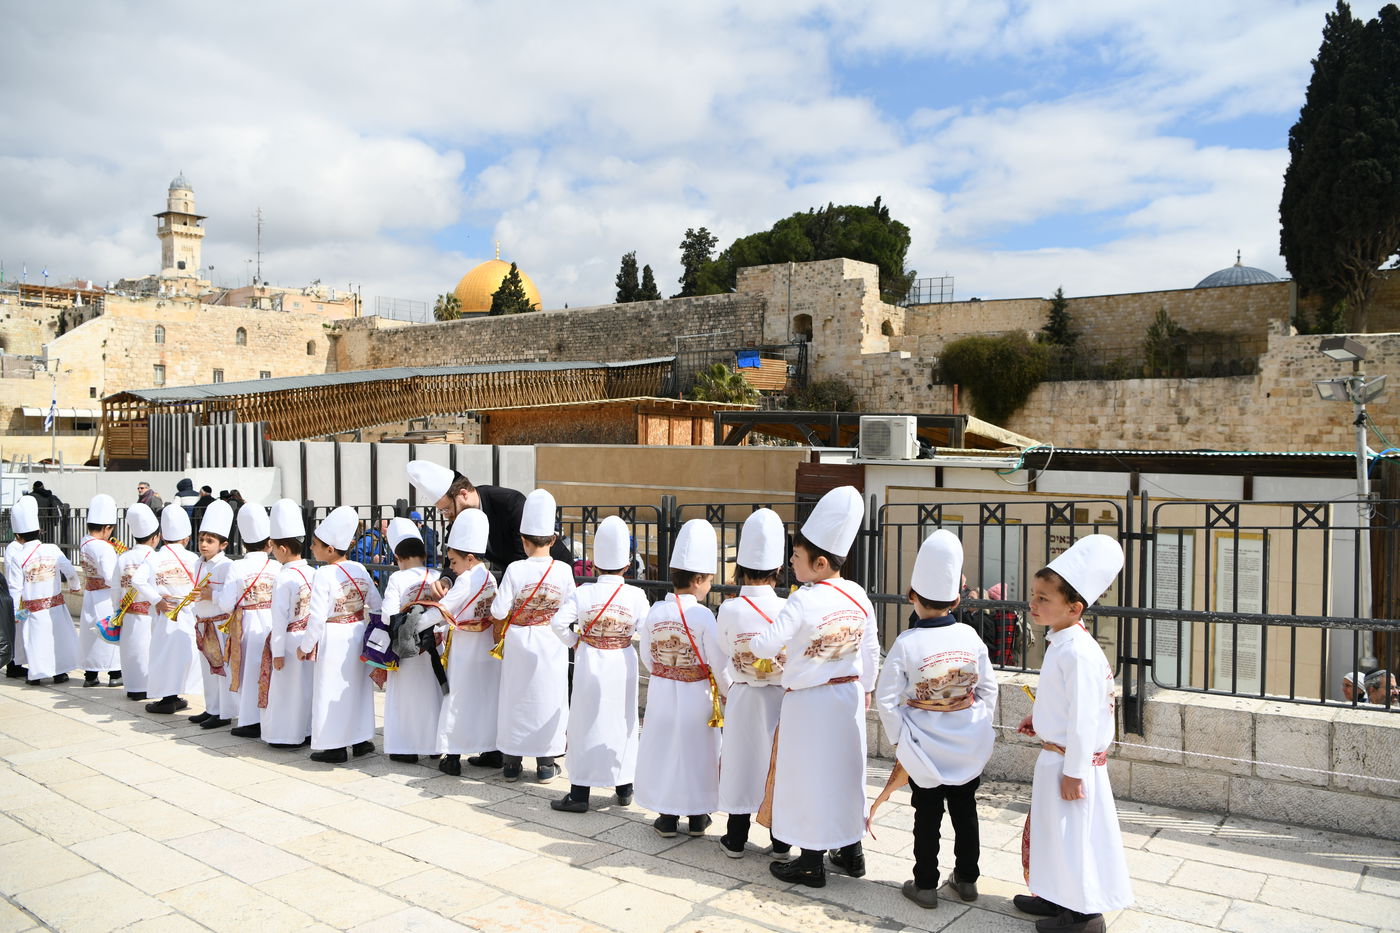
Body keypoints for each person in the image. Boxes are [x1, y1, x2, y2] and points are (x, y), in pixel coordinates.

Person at [748, 485, 880, 888]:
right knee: (845, 773)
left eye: (797, 556)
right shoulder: (858, 594)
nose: (790, 560)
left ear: (819, 563)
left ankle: (809, 861)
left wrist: (761, 644)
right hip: (849, 695)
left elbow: (765, 644)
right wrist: (868, 687)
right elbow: (872, 647)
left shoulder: (804, 599)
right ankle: (851, 852)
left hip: (808, 701)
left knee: (807, 776)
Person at [1014, 534, 1133, 933]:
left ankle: (1082, 917)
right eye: (1034, 594)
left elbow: (1085, 717)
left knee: (1074, 838)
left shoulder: (1077, 651)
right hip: (1058, 754)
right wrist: (1040, 716)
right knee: (1054, 832)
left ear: (1074, 607)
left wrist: (1075, 771)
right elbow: (1063, 700)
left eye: (1044, 598)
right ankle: (1054, 895)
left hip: (1070, 761)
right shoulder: (1062, 642)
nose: (1034, 603)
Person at [876, 529, 997, 909]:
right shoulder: (970, 637)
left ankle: (925, 884)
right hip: (966, 742)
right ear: (958, 600)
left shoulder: (906, 642)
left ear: (912, 597)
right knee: (966, 811)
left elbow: (886, 698)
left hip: (923, 745)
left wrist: (900, 739)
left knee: (926, 815)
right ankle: (967, 878)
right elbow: (989, 690)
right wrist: (975, 724)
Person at [549, 515, 649, 813]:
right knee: (623, 722)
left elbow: (557, 624)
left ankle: (580, 793)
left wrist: (575, 642)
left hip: (589, 660)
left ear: (592, 564)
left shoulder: (584, 593)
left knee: (584, 722)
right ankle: (624, 786)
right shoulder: (637, 594)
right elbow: (647, 629)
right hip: (623, 661)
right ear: (627, 566)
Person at [635, 518, 728, 838]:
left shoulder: (655, 611)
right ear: (699, 579)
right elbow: (717, 661)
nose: (711, 586)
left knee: (665, 751)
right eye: (710, 581)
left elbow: (646, 655)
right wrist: (727, 691)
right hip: (696, 695)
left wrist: (665, 672)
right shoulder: (703, 616)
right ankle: (699, 815)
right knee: (698, 755)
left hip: (662, 691)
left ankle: (667, 816)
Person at [715, 508, 791, 859]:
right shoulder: (788, 607)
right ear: (778, 570)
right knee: (778, 763)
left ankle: (735, 835)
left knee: (741, 762)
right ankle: (780, 838)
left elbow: (722, 653)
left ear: (741, 568)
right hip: (781, 696)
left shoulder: (729, 609)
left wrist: (730, 687)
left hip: (743, 695)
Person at [489, 488, 574, 782]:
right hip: (551, 640)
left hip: (519, 640)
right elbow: (570, 608)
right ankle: (546, 763)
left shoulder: (514, 569)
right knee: (549, 698)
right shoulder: (564, 571)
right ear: (553, 540)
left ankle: (512, 763)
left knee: (516, 698)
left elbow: (499, 611)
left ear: (523, 541)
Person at [297, 506, 382, 763]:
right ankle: (360, 740)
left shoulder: (323, 574)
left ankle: (334, 746)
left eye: (315, 544)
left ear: (330, 549)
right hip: (357, 633)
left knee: (330, 688)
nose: (311, 548)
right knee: (355, 688)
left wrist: (305, 645)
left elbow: (317, 616)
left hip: (333, 637)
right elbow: (376, 605)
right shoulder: (360, 569)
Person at [407, 460, 572, 575]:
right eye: (442, 511)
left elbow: (522, 558)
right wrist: (446, 580)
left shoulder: (509, 503)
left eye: (447, 509)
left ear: (463, 494)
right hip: (516, 575)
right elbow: (455, 553)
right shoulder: (460, 517)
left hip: (552, 569)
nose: (448, 515)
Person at [434, 509, 500, 776]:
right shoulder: (489, 576)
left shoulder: (465, 580)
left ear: (469, 558)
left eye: (453, 561)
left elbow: (443, 610)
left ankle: (452, 755)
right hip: (485, 644)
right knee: (486, 698)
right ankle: (492, 750)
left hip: (464, 648)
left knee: (458, 699)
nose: (450, 567)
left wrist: (418, 621)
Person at [215, 503, 280, 738]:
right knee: (269, 670)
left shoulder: (237, 566)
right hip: (273, 621)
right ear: (269, 543)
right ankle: (270, 715)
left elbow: (226, 603)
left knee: (247, 670)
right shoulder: (276, 565)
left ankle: (251, 719)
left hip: (247, 623)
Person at [381, 517, 442, 763]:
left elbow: (387, 615)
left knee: (404, 697)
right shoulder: (437, 575)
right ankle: (435, 745)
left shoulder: (397, 579)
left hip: (406, 648)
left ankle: (405, 747)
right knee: (433, 693)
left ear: (398, 556)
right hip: (434, 646)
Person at [6, 495, 80, 685]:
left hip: (33, 610)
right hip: (55, 605)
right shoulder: (52, 549)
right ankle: (59, 673)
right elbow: (69, 570)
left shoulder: (18, 557)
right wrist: (74, 585)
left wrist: (14, 612)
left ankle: (37, 674)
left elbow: (15, 588)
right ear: (39, 530)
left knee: (37, 641)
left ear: (18, 536)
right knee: (58, 640)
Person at [259, 499, 315, 749]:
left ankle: (285, 735)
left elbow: (279, 620)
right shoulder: (313, 573)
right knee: (306, 688)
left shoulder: (284, 578)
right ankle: (308, 730)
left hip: (290, 638)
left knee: (285, 690)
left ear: (282, 548)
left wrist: (277, 652)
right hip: (309, 637)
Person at [145, 504, 203, 714]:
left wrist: (156, 599)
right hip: (190, 612)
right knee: (186, 653)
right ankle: (178, 694)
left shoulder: (154, 557)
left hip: (166, 614)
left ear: (162, 535)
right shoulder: (193, 558)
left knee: (164, 655)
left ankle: (168, 698)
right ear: (186, 538)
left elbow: (137, 580)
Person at [190, 501, 235, 730]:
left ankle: (224, 712)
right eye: (201, 540)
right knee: (207, 669)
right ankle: (211, 707)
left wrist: (212, 595)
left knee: (222, 670)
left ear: (223, 544)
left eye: (210, 541)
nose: (204, 545)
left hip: (219, 625)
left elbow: (230, 597)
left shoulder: (227, 566)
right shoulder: (197, 564)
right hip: (202, 622)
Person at [116, 502, 162, 700]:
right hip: (152, 613)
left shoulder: (123, 557)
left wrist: (116, 610)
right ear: (155, 537)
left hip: (128, 612)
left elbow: (114, 587)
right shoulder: (156, 557)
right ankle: (151, 686)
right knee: (150, 650)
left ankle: (133, 687)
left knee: (131, 651)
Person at [76, 494, 123, 687]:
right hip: (105, 596)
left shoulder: (85, 541)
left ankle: (91, 675)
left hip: (90, 593)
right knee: (109, 632)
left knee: (91, 634)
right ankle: (115, 674)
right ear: (106, 528)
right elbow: (111, 576)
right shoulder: (103, 548)